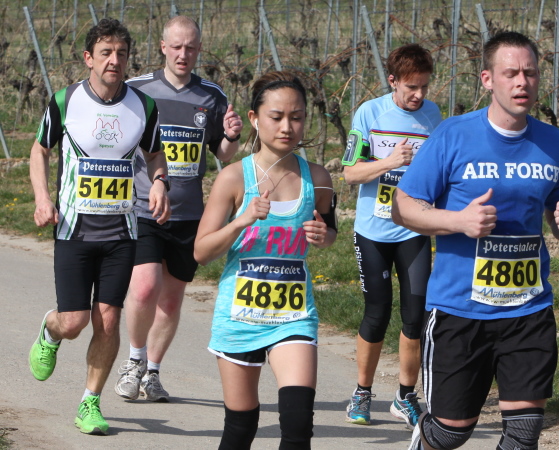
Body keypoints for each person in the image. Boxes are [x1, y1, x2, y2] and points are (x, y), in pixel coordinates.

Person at [392, 31, 559, 449]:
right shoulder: (453, 135)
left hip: (528, 308)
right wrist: (458, 221)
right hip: (461, 310)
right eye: (511, 73)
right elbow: (402, 207)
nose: (522, 82)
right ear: (487, 79)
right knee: (450, 432)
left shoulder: (553, 141)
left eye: (530, 73)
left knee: (523, 434)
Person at [28, 18, 170, 435]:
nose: (114, 60)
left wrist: (159, 182)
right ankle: (50, 330)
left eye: (121, 54)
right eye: (106, 53)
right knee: (74, 322)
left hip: (122, 233)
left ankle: (90, 402)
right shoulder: (66, 100)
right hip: (74, 230)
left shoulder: (143, 107)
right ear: (89, 58)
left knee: (107, 320)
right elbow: (40, 150)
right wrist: (42, 198)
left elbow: (155, 155)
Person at [194, 71, 337, 449]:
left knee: (297, 425)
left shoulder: (318, 178)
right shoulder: (233, 178)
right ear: (255, 118)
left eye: (297, 117)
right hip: (240, 317)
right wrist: (241, 220)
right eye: (277, 117)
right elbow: (202, 251)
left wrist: (323, 236)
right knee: (241, 429)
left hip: (293, 315)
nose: (287, 127)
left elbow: (330, 232)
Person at [113, 15, 242, 403]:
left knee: (170, 300)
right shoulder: (137, 90)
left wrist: (232, 135)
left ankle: (152, 372)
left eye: (190, 48)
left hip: (189, 214)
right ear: (163, 48)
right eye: (176, 47)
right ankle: (133, 362)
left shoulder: (211, 95)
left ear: (199, 49)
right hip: (143, 208)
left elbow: (222, 153)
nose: (183, 54)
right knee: (144, 286)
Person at [342, 44, 442, 427]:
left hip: (413, 230)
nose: (419, 94)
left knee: (415, 316)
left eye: (425, 86)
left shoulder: (433, 116)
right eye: (411, 87)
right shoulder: (370, 112)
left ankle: (405, 396)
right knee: (377, 312)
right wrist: (389, 162)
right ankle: (362, 392)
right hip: (373, 231)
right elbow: (350, 173)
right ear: (393, 81)